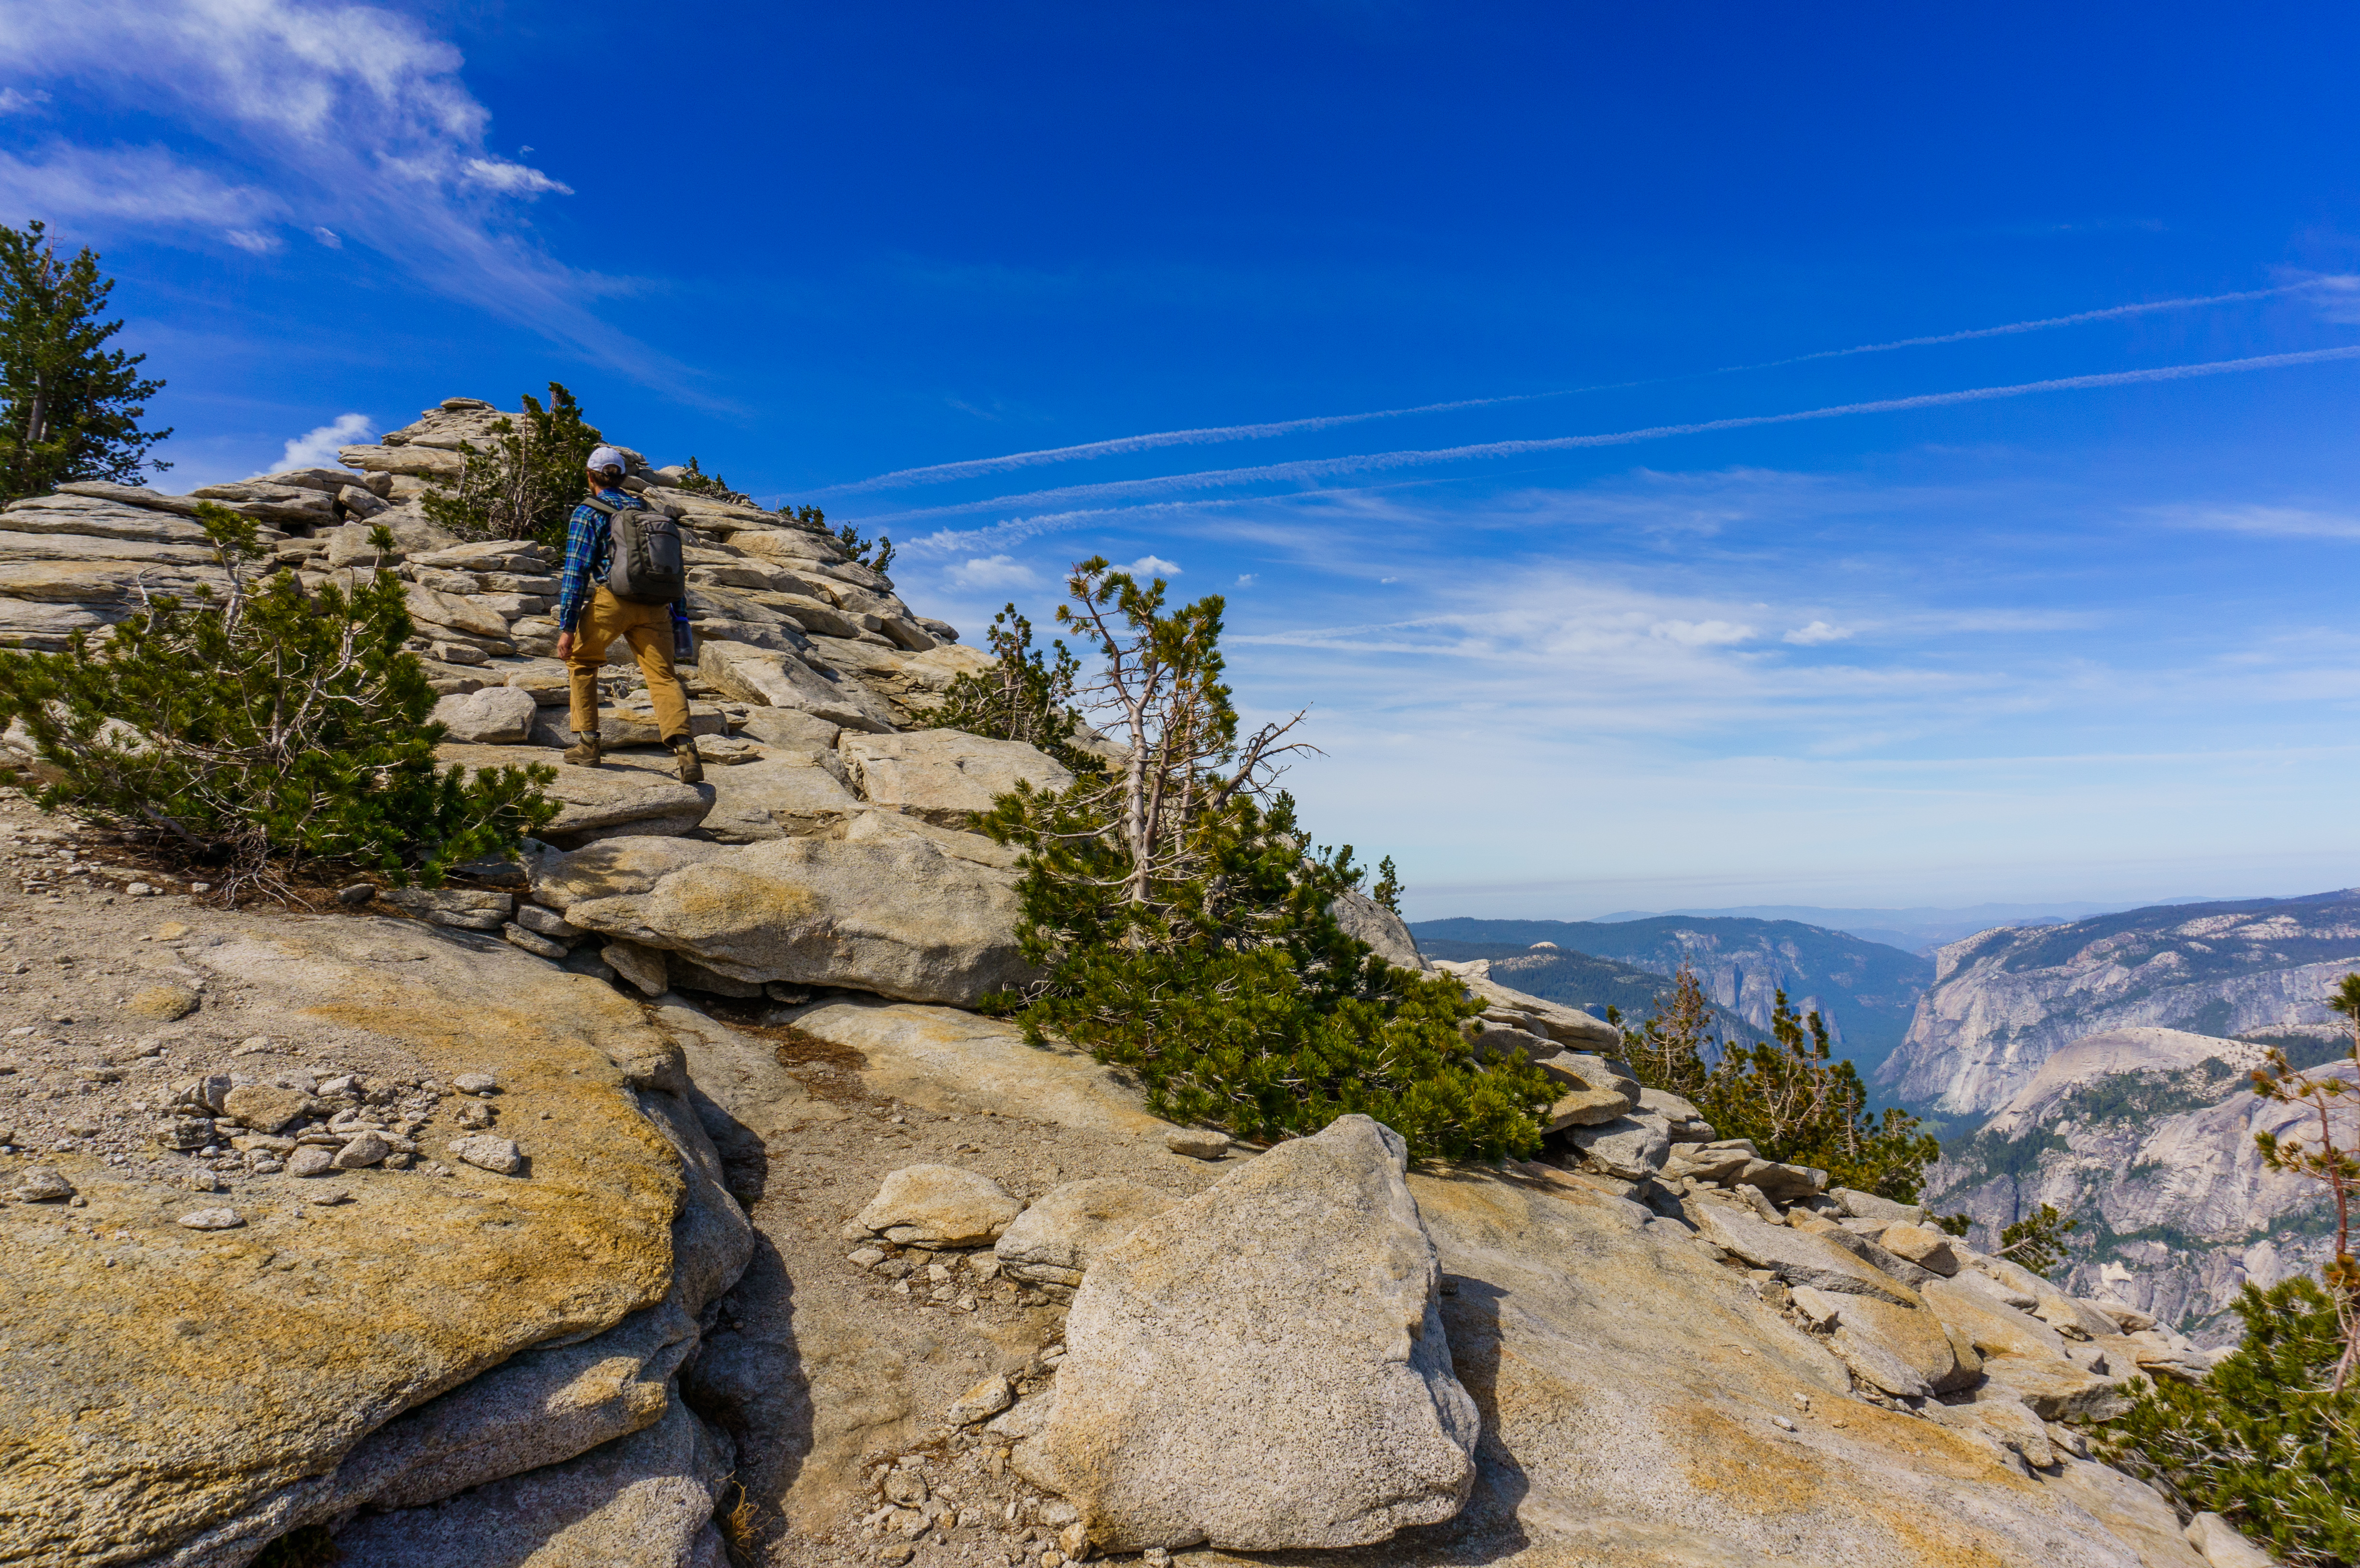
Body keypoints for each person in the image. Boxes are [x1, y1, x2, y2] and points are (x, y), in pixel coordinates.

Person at [552, 446, 703, 784]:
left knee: (581, 662)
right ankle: (687, 751)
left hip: (613, 600)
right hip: (656, 605)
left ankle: (589, 745)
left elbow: (576, 571)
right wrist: (679, 617)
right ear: (623, 477)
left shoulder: (588, 512)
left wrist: (567, 627)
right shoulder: (648, 512)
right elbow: (673, 571)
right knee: (663, 677)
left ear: (590, 476)